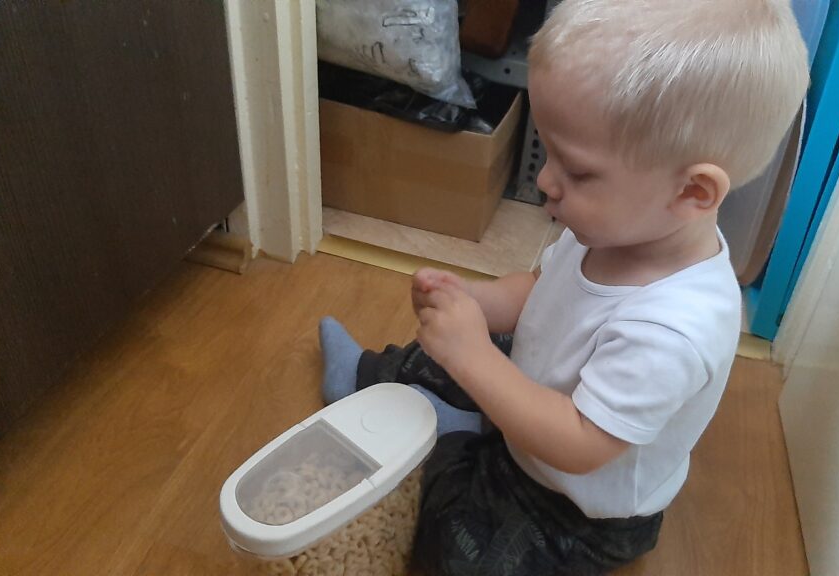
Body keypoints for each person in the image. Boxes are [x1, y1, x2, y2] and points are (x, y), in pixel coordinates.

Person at [319, 0, 809, 573]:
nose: (546, 180)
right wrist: (476, 303)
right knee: (449, 347)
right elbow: (540, 289)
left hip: (569, 506)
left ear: (692, 193)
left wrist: (473, 356)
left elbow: (579, 444)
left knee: (454, 551)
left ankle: (447, 445)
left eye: (576, 170)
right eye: (550, 153)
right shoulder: (618, 226)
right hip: (538, 399)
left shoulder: (674, 329)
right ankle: (372, 381)